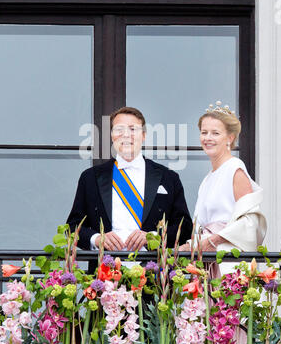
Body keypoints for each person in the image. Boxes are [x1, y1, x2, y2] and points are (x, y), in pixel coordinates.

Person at [67, 107, 192, 268]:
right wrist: (97, 239)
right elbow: (72, 227)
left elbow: (185, 227)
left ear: (144, 135)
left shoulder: (168, 178)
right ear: (112, 136)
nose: (126, 135)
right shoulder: (90, 177)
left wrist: (153, 237)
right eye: (119, 129)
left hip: (153, 275)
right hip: (104, 274)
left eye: (133, 129)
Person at [179, 101, 267, 267]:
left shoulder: (235, 169)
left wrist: (213, 241)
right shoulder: (207, 179)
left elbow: (250, 221)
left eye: (215, 133)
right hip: (206, 260)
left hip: (227, 262)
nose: (208, 138)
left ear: (230, 137)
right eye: (204, 132)